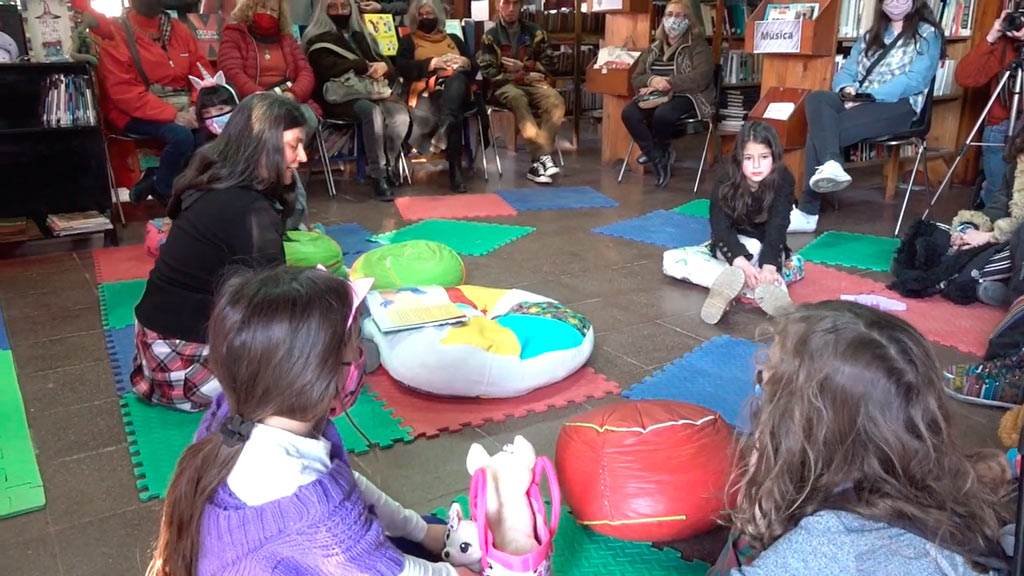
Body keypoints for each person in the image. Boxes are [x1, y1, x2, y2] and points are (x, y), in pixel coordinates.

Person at [145, 267, 473, 576]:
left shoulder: (236, 413)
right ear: (315, 374)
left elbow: (346, 486)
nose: (361, 358)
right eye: (355, 348)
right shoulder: (308, 498)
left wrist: (421, 529)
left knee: (424, 528)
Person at [725, 300, 1008, 576]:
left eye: (765, 385)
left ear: (803, 433)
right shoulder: (949, 489)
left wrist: (759, 508)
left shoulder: (832, 544)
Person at [130, 94, 308, 413]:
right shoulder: (251, 211)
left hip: (153, 349)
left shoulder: (212, 182)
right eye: (295, 145)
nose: (303, 157)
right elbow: (274, 308)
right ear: (262, 145)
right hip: (183, 366)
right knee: (311, 338)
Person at [789, 0, 942, 233]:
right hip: (858, 99)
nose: (895, 3)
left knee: (823, 130)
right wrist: (847, 90)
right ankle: (832, 163)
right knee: (817, 99)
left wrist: (867, 97)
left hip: (899, 105)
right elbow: (848, 70)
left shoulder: (928, 35)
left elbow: (915, 80)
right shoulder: (871, 35)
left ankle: (808, 212)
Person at [662, 122, 800, 325]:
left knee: (766, 264)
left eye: (764, 157)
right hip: (734, 243)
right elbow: (720, 227)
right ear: (739, 158)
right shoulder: (725, 181)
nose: (756, 165)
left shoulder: (784, 179)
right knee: (670, 260)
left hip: (768, 244)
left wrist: (769, 266)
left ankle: (756, 291)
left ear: (774, 157)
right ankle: (742, 286)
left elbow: (778, 225)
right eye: (748, 158)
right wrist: (740, 261)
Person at [97, 0, 215, 206]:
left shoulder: (180, 29)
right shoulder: (116, 32)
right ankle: (166, 191)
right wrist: (173, 115)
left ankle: (160, 179)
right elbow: (124, 93)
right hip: (131, 112)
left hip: (184, 106)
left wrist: (196, 107)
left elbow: (203, 72)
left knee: (210, 134)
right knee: (181, 137)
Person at [304, 0, 411, 200]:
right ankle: (378, 176)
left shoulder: (362, 36)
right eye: (333, 7)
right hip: (339, 97)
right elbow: (327, 69)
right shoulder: (316, 40)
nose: (340, 12)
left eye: (344, 7)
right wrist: (362, 65)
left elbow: (390, 68)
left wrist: (384, 68)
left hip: (371, 91)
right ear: (323, 11)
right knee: (371, 112)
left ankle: (390, 162)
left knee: (399, 116)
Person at [621, 0, 714, 188]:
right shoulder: (654, 47)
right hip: (655, 95)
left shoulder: (698, 46)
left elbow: (701, 77)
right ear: (663, 19)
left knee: (663, 114)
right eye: (669, 15)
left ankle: (659, 152)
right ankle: (658, 157)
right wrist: (652, 81)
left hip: (687, 95)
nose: (673, 20)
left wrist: (668, 83)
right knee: (629, 113)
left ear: (689, 20)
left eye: (679, 15)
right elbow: (637, 77)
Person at [477, 0, 565, 184]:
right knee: (518, 97)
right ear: (498, 6)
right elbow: (489, 73)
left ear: (521, 6)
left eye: (515, 4)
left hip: (531, 83)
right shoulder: (490, 37)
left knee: (556, 101)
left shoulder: (536, 32)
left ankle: (537, 164)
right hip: (504, 87)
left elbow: (551, 65)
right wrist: (522, 75)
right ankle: (543, 158)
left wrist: (523, 67)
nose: (511, 9)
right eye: (506, 3)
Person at [396, 0, 478, 193]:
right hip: (429, 91)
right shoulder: (409, 41)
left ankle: (445, 125)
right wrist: (432, 64)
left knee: (457, 79)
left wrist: (464, 62)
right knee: (454, 110)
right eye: (422, 15)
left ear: (438, 16)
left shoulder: (454, 39)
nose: (426, 18)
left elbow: (474, 66)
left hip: (461, 90)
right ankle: (454, 170)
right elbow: (402, 67)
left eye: (429, 14)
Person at [956, 9, 1024, 208]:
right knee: (1000, 199)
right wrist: (993, 35)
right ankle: (989, 201)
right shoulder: (1005, 44)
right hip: (1001, 124)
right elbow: (965, 77)